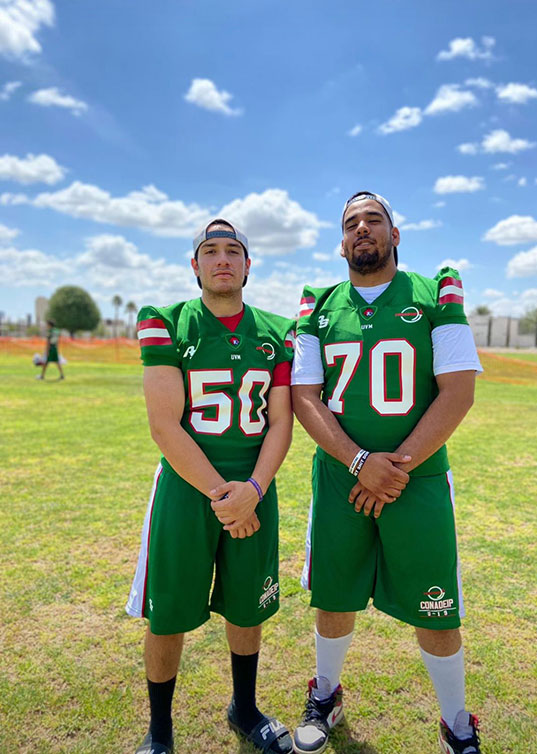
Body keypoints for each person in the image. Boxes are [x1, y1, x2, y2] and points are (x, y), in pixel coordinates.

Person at [291, 191, 483, 754]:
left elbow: (459, 391)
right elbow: (305, 396)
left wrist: (392, 469)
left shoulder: (434, 293)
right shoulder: (319, 305)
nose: (362, 229)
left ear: (395, 234)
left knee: (436, 603)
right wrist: (358, 462)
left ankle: (456, 723)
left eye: (374, 220)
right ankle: (325, 694)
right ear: (341, 241)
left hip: (416, 480)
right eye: (351, 224)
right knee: (333, 596)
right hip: (339, 477)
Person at [126, 218, 295, 754]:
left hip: (254, 487)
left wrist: (254, 489)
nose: (222, 259)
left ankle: (244, 709)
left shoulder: (279, 331)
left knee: (247, 607)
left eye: (233, 251)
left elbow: (281, 423)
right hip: (188, 489)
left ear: (248, 264)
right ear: (194, 264)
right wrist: (227, 497)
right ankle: (161, 730)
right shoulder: (165, 322)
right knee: (169, 612)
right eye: (210, 251)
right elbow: (163, 425)